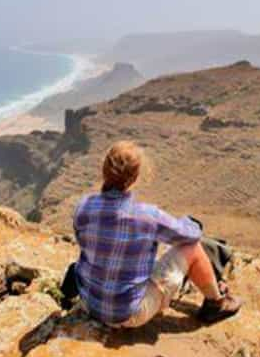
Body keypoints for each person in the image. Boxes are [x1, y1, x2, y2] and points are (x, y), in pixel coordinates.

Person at [69, 140, 242, 328]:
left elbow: (83, 243)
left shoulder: (84, 206)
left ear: (104, 172)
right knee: (192, 248)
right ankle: (216, 304)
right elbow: (189, 236)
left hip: (90, 304)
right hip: (128, 315)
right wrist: (191, 223)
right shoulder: (148, 216)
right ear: (135, 177)